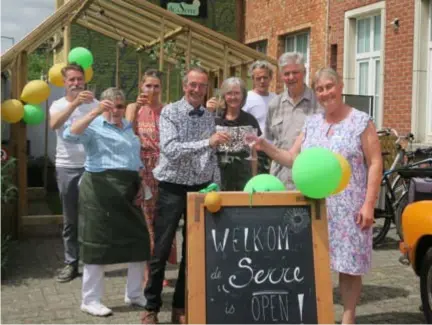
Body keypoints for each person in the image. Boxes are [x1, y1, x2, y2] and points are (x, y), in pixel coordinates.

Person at [249, 68, 382, 324]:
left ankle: (348, 317)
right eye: (320, 89)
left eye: (329, 86)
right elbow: (291, 158)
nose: (325, 93)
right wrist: (264, 145)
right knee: (311, 263)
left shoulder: (361, 121)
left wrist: (369, 204)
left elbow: (375, 162)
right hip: (314, 207)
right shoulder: (312, 123)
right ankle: (317, 314)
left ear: (341, 85)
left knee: (349, 266)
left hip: (350, 206)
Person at [141, 67, 230, 324]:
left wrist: (216, 186)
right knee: (160, 249)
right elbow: (170, 150)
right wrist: (207, 142)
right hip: (171, 186)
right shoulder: (170, 111)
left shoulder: (209, 116)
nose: (196, 90)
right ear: (184, 86)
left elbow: (212, 157)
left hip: (201, 188)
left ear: (206, 90)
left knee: (193, 252)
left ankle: (180, 307)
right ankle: (151, 307)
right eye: (192, 84)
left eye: (201, 86)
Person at [63, 88, 150, 317]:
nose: (116, 110)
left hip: (128, 190)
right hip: (99, 190)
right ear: (102, 105)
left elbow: (134, 159)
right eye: (110, 105)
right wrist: (94, 112)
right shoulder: (93, 126)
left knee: (139, 241)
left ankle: (134, 294)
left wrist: (141, 185)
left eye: (120, 106)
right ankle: (90, 300)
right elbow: (69, 135)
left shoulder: (129, 128)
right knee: (96, 244)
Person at [125, 69, 177, 287]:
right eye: (148, 86)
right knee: (146, 222)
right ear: (141, 87)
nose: (152, 90)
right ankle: (149, 270)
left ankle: (161, 268)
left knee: (164, 222)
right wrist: (136, 107)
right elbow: (126, 133)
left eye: (156, 86)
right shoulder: (133, 108)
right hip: (143, 169)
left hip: (165, 168)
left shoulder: (168, 110)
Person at [49, 63, 98, 283]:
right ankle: (71, 263)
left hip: (91, 167)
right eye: (72, 80)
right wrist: (74, 105)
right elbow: (54, 124)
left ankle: (91, 263)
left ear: (84, 80)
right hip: (66, 166)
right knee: (70, 220)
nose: (76, 83)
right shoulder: (57, 104)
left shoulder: (94, 104)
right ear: (64, 82)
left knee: (91, 218)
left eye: (79, 79)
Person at [265, 52, 322, 189]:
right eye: (286, 74)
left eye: (295, 72)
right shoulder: (274, 105)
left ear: (304, 72)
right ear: (281, 77)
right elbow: (270, 140)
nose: (291, 77)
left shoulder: (319, 102)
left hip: (310, 178)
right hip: (280, 180)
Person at [214, 77, 261, 190]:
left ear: (243, 96)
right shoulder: (215, 120)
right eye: (229, 93)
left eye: (237, 93)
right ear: (224, 96)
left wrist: (254, 180)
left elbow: (253, 154)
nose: (233, 97)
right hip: (221, 178)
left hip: (244, 178)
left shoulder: (250, 121)